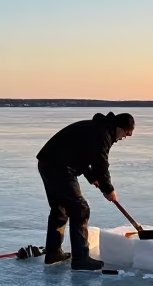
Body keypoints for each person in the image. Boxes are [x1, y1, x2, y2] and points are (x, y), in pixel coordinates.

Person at [36, 111, 135, 270]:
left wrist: (91, 177)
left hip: (48, 164)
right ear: (119, 127)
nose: (123, 138)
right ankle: (81, 258)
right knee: (81, 209)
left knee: (60, 209)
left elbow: (80, 153)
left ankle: (54, 253)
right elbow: (101, 163)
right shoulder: (103, 134)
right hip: (59, 167)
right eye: (126, 133)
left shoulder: (97, 129)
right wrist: (108, 188)